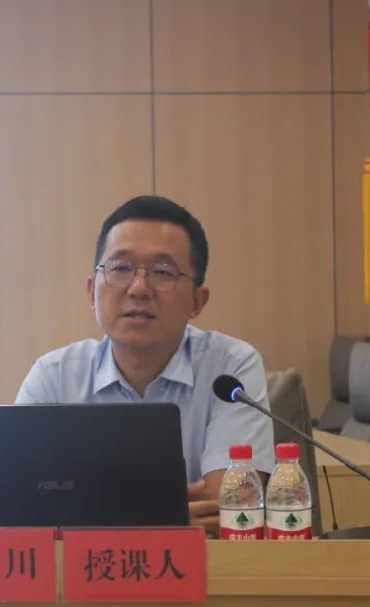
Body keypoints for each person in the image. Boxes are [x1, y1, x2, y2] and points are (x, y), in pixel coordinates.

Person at [15, 195, 276, 536]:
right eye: (120, 268)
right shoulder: (54, 377)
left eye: (162, 272)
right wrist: (161, 516)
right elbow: (21, 506)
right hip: (82, 571)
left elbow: (228, 505)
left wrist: (87, 512)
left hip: (206, 568)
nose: (138, 288)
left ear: (197, 301)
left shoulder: (230, 368)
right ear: (92, 291)